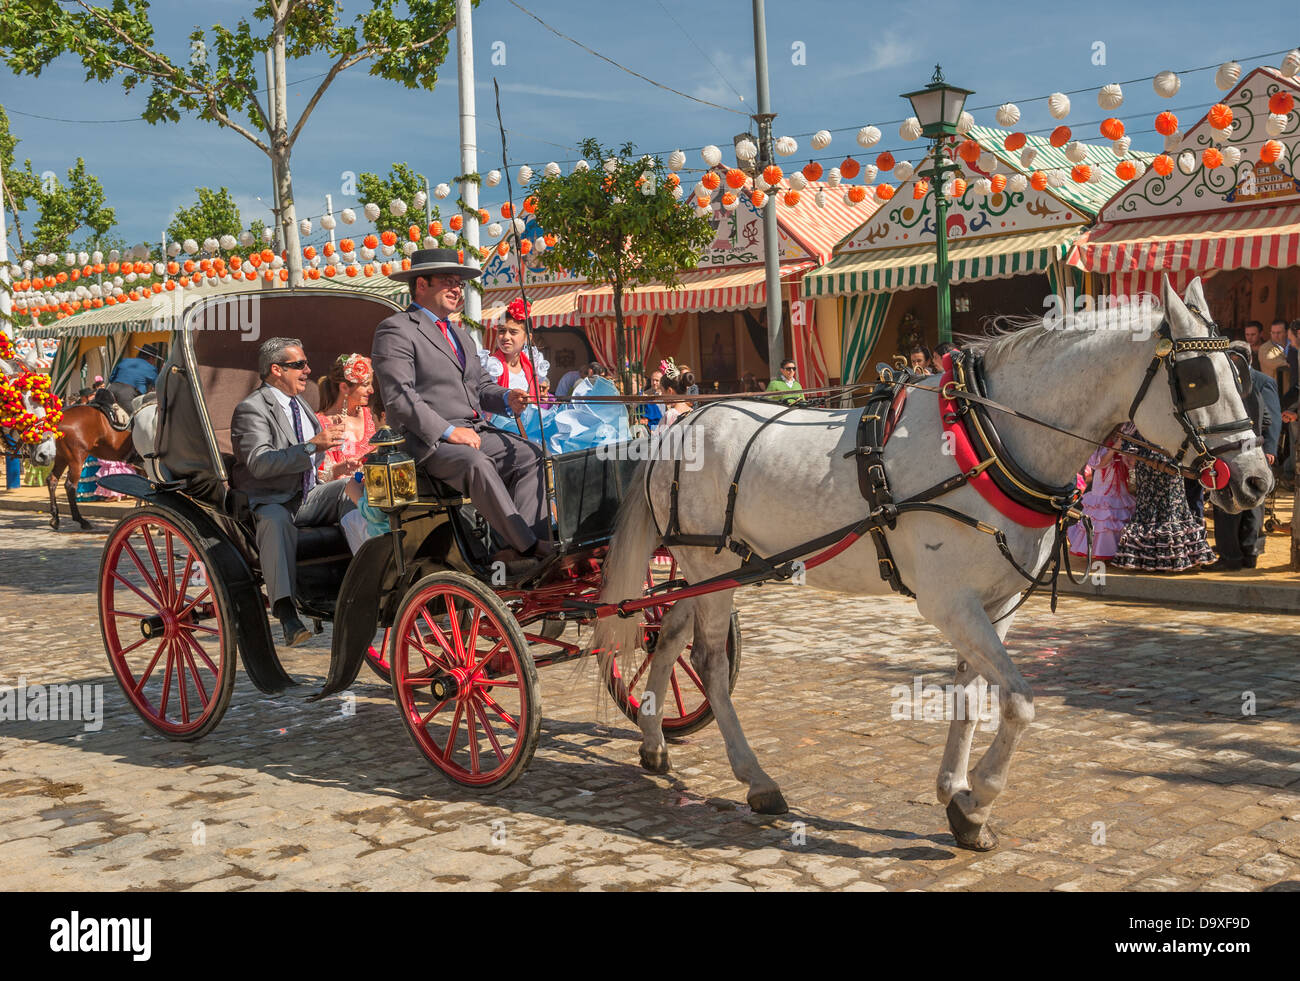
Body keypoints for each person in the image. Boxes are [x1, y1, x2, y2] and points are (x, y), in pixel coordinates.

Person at [371, 248, 547, 576]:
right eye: (449, 282)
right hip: (426, 443)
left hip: (474, 432)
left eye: (460, 283)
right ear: (421, 284)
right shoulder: (395, 329)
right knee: (476, 463)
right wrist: (450, 432)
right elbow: (399, 398)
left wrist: (508, 397)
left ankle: (516, 549)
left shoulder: (461, 335)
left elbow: (480, 389)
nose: (457, 289)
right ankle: (529, 547)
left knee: (532, 454)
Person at [229, 336, 351, 647]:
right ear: (276, 370)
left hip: (308, 493)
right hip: (271, 498)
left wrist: (330, 471)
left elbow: (311, 461)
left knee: (354, 488)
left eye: (306, 364)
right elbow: (259, 463)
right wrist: (313, 444)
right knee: (275, 520)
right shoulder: (251, 409)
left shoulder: (301, 405)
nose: (308, 370)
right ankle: (285, 611)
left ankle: (366, 566)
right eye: (299, 365)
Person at [1207, 343, 1280, 571]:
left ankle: (1230, 556)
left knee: (1229, 501)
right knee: (1254, 501)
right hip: (1254, 448)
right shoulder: (1252, 387)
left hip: (1233, 451)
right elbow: (1266, 419)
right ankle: (1250, 552)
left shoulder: (1229, 387)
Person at [1111, 429, 1217, 573]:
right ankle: (1165, 558)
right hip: (1153, 462)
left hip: (1165, 462)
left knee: (1168, 505)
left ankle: (1158, 559)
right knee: (1161, 506)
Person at [1068, 425, 1136, 560]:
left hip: (1120, 483)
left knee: (1119, 513)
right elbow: (1097, 464)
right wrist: (1115, 448)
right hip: (1103, 485)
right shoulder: (1099, 440)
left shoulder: (1125, 433)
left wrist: (1126, 454)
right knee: (1103, 515)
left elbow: (1130, 463)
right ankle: (1100, 550)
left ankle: (1120, 550)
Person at [341, 387, 392, 553]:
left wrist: (355, 493)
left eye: (373, 417)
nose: (372, 423)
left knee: (349, 518)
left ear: (383, 416)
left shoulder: (383, 456)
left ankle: (368, 575)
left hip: (387, 535)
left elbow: (377, 514)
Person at [315, 353, 377, 482]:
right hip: (339, 496)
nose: (371, 390)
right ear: (344, 387)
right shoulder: (320, 423)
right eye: (365, 385)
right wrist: (340, 469)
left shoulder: (369, 416)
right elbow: (317, 477)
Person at [479, 298, 549, 405]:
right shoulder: (492, 367)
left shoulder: (531, 364)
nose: (506, 337)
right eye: (502, 331)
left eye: (513, 332)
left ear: (527, 338)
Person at [656, 358, 695, 431]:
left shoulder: (670, 415)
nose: (661, 395)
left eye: (662, 391)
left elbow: (659, 441)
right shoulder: (693, 412)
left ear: (670, 391)